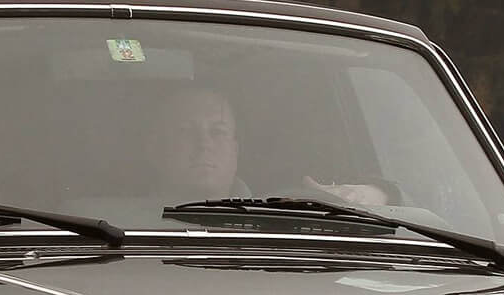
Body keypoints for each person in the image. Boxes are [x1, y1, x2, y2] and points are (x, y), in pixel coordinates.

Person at [146, 84, 391, 206]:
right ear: (156, 150)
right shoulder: (116, 224)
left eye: (218, 131)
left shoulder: (284, 217)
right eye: (187, 132)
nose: (204, 144)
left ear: (236, 151)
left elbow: (423, 216)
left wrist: (383, 194)